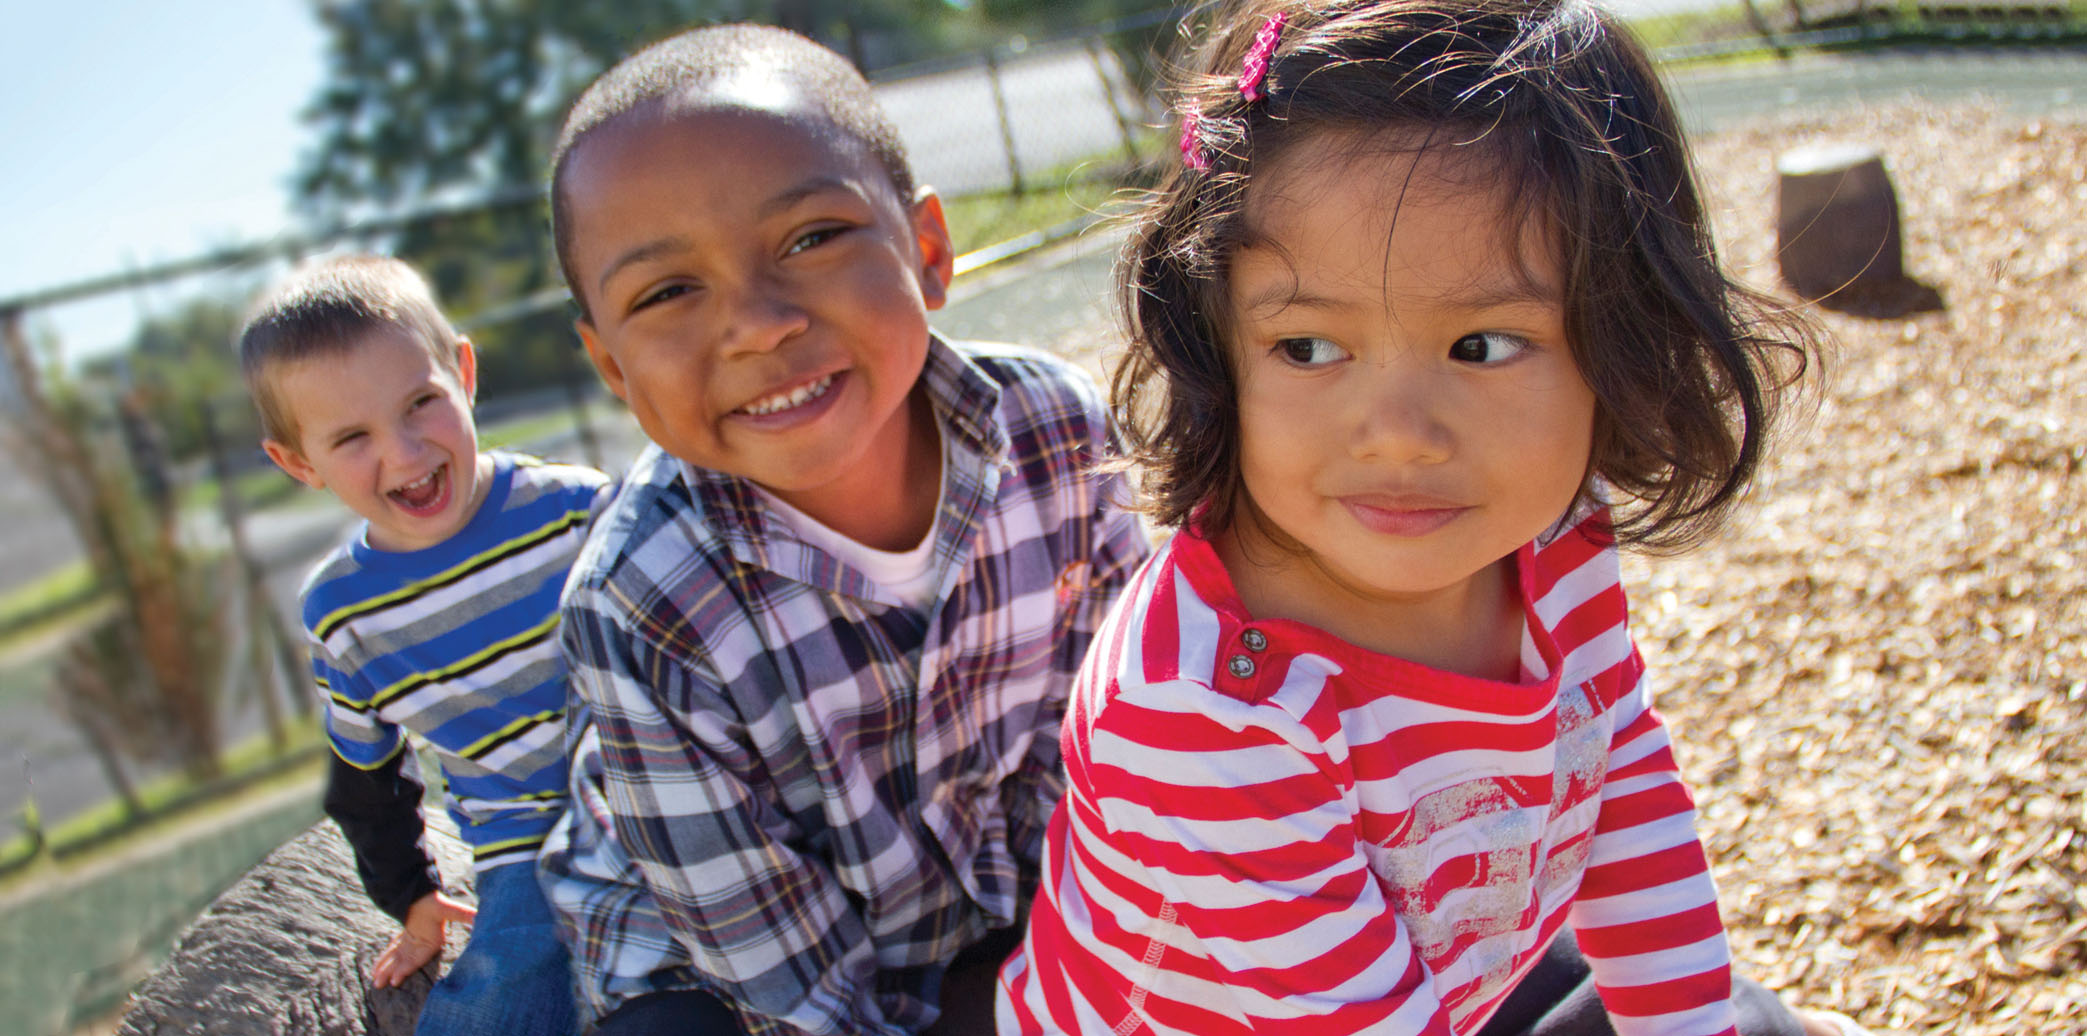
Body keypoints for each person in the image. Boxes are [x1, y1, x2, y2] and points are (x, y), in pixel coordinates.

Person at [996, 2, 1871, 1034]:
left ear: (1616, 342)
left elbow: (1617, 772)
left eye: (1482, 345)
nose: (1398, 435)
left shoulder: (1551, 542)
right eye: (1309, 349)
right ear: (1213, 341)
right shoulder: (1209, 715)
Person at [530, 23, 1150, 1036]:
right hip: (723, 970)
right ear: (611, 369)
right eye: (667, 291)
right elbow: (770, 972)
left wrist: (1063, 955)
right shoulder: (642, 603)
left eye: (811, 237)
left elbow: (1114, 724)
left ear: (929, 250)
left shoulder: (1054, 431)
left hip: (998, 900)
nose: (757, 321)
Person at [241, 255, 607, 1036]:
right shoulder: (343, 612)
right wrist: (411, 898)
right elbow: (364, 775)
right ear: (297, 462)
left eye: (420, 403)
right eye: (352, 437)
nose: (405, 453)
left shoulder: (576, 510)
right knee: (504, 1002)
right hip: (533, 848)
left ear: (463, 373)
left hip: (674, 784)